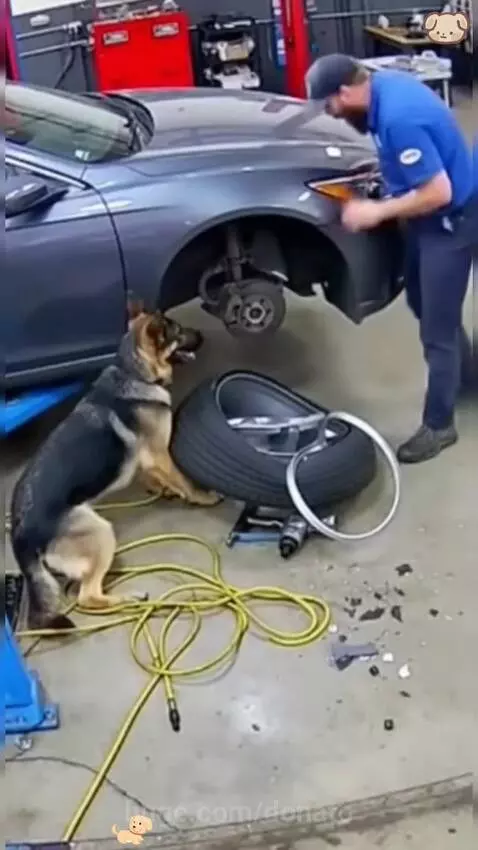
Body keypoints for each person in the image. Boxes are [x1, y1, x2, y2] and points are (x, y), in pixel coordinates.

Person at [306, 54, 477, 463]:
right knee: (422, 302)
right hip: (427, 222)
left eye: (329, 106)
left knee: (436, 329)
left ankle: (439, 426)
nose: (332, 114)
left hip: (450, 222)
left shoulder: (399, 118)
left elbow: (439, 192)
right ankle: (466, 377)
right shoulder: (384, 89)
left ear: (345, 92)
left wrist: (375, 212)